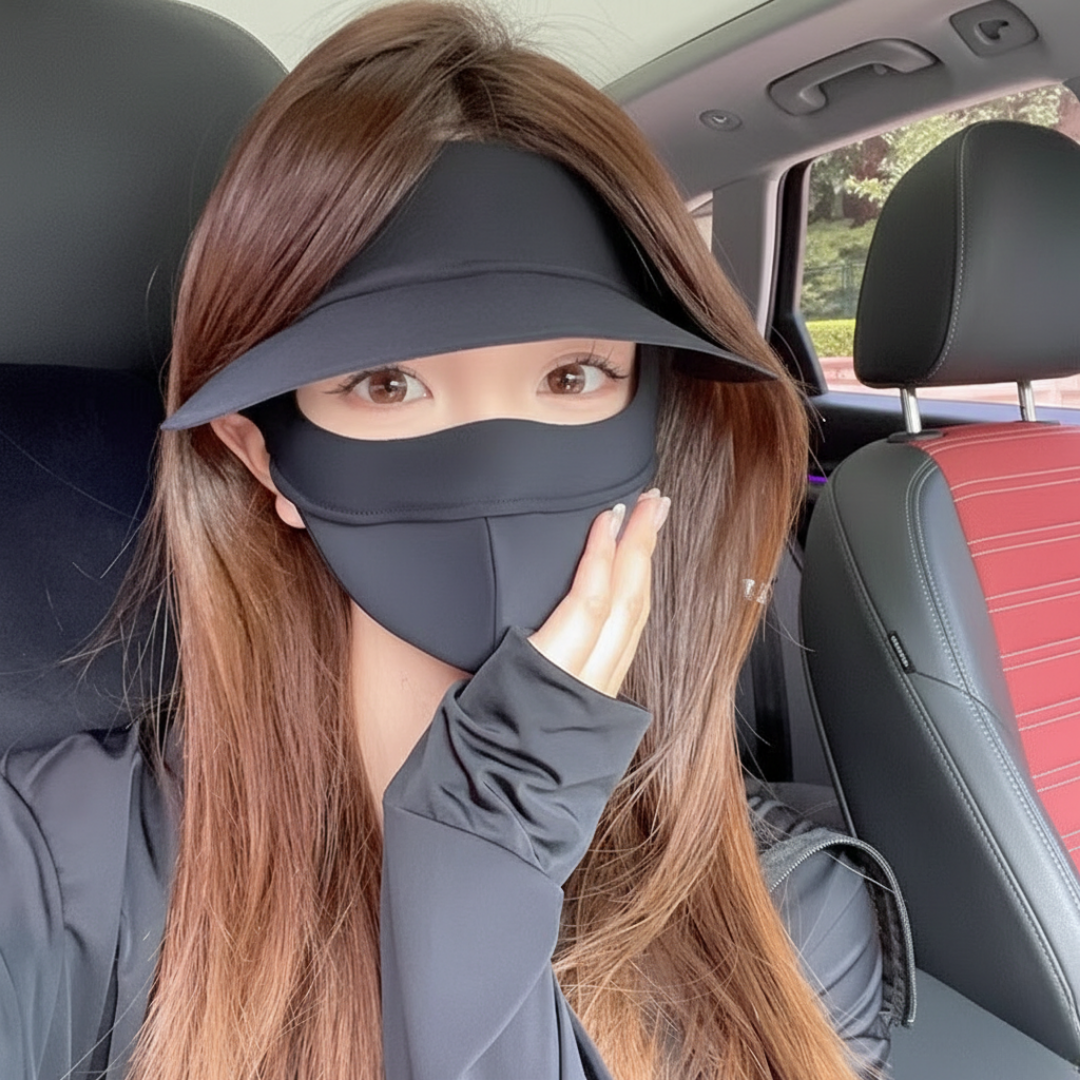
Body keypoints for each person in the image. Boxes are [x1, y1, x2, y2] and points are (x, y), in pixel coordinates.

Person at [0, 3, 899, 1078]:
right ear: (263, 457)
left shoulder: (790, 920)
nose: (492, 466)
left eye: (572, 376)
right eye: (387, 383)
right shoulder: (57, 869)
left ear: (655, 423)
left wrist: (489, 847)